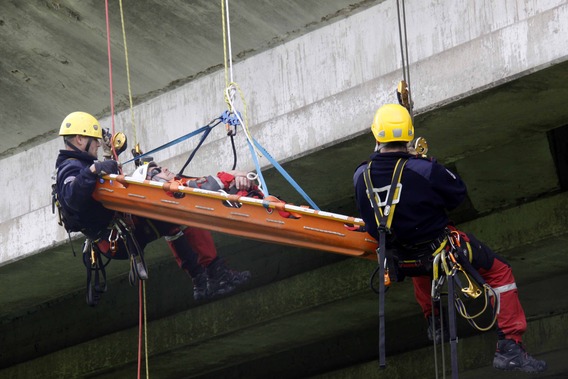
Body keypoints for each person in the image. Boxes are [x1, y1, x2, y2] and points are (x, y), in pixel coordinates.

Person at [353, 104, 547, 373]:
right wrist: (427, 164)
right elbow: (457, 194)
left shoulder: (360, 175)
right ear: (408, 137)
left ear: (376, 137)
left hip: (401, 259)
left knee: (423, 267)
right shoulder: (422, 169)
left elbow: (368, 216)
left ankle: (435, 321)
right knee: (500, 272)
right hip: (437, 250)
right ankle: (510, 346)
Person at [54, 111, 251, 302]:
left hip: (116, 237)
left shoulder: (77, 166)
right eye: (94, 140)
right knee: (179, 205)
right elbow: (73, 197)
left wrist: (107, 158)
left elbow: (101, 192)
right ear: (80, 139)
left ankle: (202, 280)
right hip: (116, 238)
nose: (97, 144)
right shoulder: (69, 168)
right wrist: (94, 169)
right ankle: (214, 275)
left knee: (171, 217)